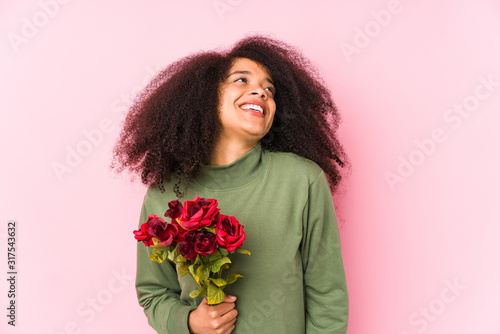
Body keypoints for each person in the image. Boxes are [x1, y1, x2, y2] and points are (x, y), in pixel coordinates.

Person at [112, 35, 350, 334]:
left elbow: (327, 293)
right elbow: (154, 294)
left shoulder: (302, 180)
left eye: (269, 89)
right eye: (241, 80)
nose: (261, 92)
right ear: (205, 97)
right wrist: (189, 322)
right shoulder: (164, 195)